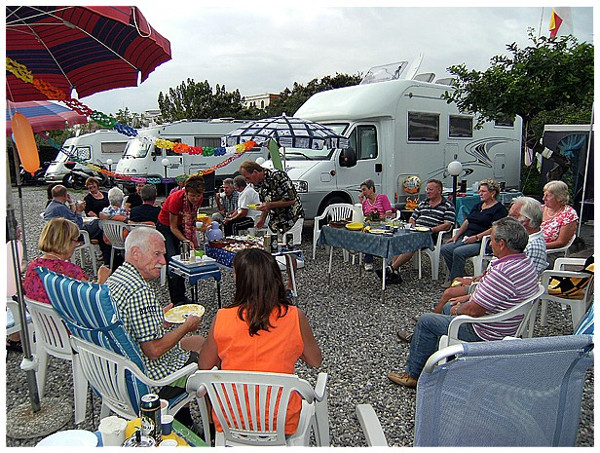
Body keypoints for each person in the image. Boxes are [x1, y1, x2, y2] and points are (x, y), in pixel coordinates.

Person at [388, 217, 539, 388]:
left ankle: (413, 375)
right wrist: (466, 298)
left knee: (426, 321)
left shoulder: (503, 272)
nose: (490, 244)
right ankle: (438, 354)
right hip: (505, 324)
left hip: (486, 332)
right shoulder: (525, 263)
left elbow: (475, 311)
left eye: (492, 240)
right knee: (447, 305)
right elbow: (493, 294)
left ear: (502, 244)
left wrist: (458, 310)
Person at [198, 248, 322, 435]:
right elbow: (315, 360)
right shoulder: (294, 317)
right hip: (281, 421)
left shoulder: (222, 317)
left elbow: (204, 365)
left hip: (231, 420)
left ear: (241, 281)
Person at [106, 227, 203, 428]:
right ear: (135, 253)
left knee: (198, 342)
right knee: (206, 358)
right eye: (157, 254)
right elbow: (154, 350)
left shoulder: (116, 279)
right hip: (148, 378)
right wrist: (187, 326)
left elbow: (134, 322)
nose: (163, 261)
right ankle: (203, 424)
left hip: (117, 371)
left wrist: (159, 317)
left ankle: (184, 419)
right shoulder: (139, 290)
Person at [239, 161, 305, 297]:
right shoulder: (258, 184)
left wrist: (269, 205)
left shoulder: (278, 176)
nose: (247, 181)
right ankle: (274, 283)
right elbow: (265, 203)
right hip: (276, 220)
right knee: (269, 249)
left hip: (292, 218)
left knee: (289, 252)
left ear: (255, 172)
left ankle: (291, 285)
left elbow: (291, 200)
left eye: (248, 178)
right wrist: (262, 218)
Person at [376, 179, 454, 283]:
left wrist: (432, 229)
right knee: (398, 240)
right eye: (427, 189)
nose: (427, 192)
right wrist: (412, 225)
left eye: (430, 189)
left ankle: (391, 268)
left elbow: (447, 225)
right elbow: (412, 218)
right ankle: (394, 273)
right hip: (416, 231)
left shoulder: (447, 205)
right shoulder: (423, 203)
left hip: (431, 235)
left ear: (439, 190)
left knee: (411, 244)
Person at [23, 218, 111, 305]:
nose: (77, 245)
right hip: (63, 314)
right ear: (66, 242)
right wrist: (101, 280)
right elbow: (93, 298)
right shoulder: (69, 270)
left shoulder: (33, 266)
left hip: (38, 313)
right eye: (76, 241)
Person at [440, 178, 507, 284]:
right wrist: (456, 236)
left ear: (492, 193)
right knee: (445, 249)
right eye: (480, 191)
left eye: (483, 191)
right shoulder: (478, 206)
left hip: (482, 242)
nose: (480, 194)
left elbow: (495, 228)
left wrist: (476, 237)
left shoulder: (499, 209)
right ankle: (460, 275)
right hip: (468, 237)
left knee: (458, 252)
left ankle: (455, 282)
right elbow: (468, 221)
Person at [156, 174, 205, 305]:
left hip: (182, 225)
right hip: (166, 227)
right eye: (192, 195)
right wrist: (186, 240)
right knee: (173, 260)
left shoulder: (199, 199)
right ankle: (176, 300)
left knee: (184, 260)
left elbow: (191, 217)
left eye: (198, 195)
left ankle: (182, 295)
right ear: (186, 192)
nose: (195, 198)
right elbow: (173, 227)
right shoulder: (175, 199)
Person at [43, 184, 111, 266]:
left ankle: (103, 255)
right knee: (100, 223)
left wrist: (71, 203)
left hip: (58, 235)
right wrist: (79, 212)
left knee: (99, 229)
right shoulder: (60, 208)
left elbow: (71, 215)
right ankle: (107, 259)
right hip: (71, 235)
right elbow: (77, 226)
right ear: (65, 195)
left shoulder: (52, 205)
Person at [358, 178, 393, 271]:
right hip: (370, 225)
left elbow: (389, 213)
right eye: (362, 191)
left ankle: (370, 260)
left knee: (368, 233)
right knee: (365, 232)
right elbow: (361, 215)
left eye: (364, 190)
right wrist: (360, 202)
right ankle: (368, 260)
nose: (363, 193)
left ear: (371, 188)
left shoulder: (382, 198)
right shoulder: (365, 203)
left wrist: (377, 219)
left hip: (383, 224)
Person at [541, 180, 578, 250]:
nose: (544, 198)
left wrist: (537, 246)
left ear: (559, 197)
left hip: (547, 250)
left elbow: (561, 242)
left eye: (548, 195)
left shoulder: (568, 214)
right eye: (544, 195)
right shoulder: (540, 209)